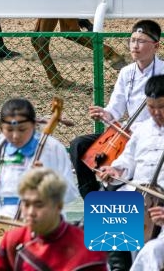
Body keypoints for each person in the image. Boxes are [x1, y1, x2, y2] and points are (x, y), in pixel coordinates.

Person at [0, 98, 79, 271]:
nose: (15, 136)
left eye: (22, 129)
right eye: (9, 130)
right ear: (0, 128)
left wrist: (48, 180)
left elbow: (70, 192)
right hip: (1, 221)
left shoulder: (52, 148)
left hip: (42, 222)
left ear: (34, 125)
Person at [70, 19, 163, 197]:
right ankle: (92, 196)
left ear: (156, 46)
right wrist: (105, 113)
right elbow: (116, 108)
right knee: (79, 145)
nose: (135, 46)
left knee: (117, 183)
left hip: (153, 135)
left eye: (141, 41)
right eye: (132, 40)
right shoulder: (126, 72)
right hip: (126, 133)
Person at [94, 73, 164, 271]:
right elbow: (128, 161)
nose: (156, 113)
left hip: (162, 195)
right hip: (139, 191)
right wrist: (114, 169)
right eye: (151, 107)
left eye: (162, 107)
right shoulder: (141, 129)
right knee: (105, 203)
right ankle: (118, 267)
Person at [0, 168, 107, 271]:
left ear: (58, 206)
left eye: (39, 205)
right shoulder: (12, 239)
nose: (30, 212)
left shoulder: (88, 252)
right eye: (26, 204)